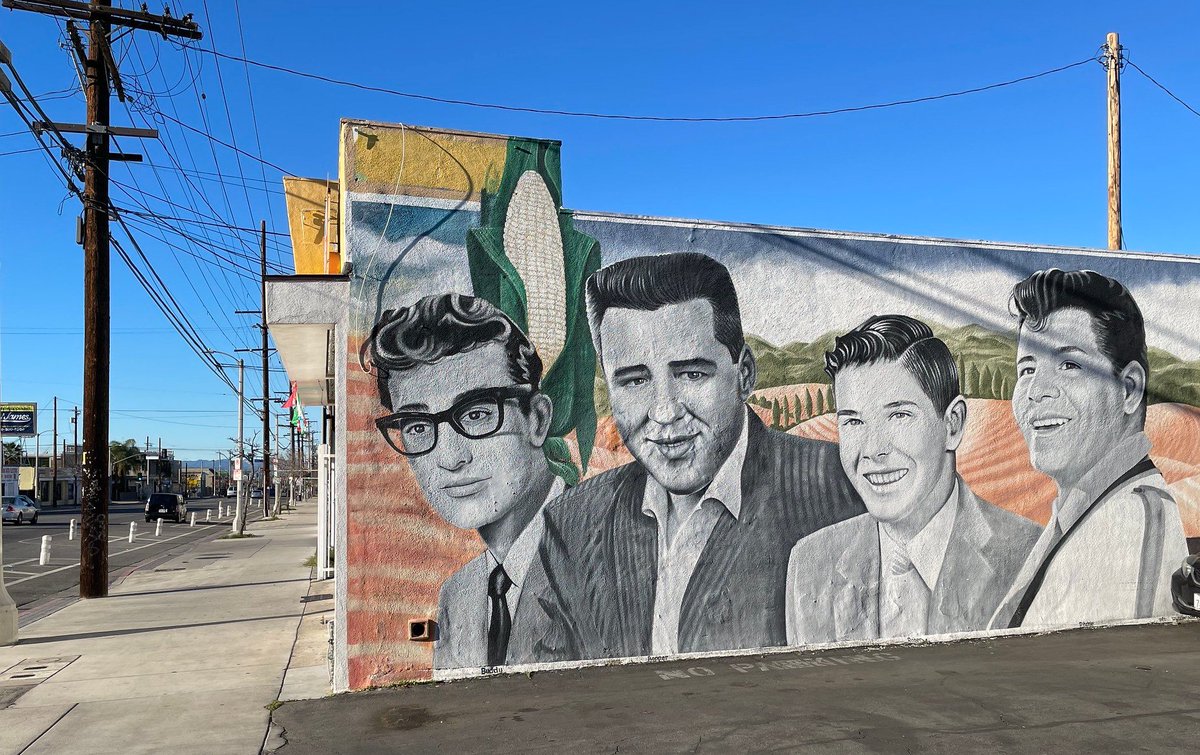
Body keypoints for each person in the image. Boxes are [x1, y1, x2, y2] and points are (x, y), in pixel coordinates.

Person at [511, 252, 864, 664]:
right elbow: (531, 693)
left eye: (691, 374)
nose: (664, 412)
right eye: (635, 380)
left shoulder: (841, 491)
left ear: (745, 373)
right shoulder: (572, 522)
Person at [785, 315, 1039, 644]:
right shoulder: (810, 564)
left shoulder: (1031, 556)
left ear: (953, 425)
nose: (873, 450)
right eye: (853, 422)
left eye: (899, 415)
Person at [364, 293, 564, 670]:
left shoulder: (609, 554)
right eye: (418, 426)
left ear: (536, 419)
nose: (451, 458)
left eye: (475, 414)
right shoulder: (458, 595)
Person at [990, 269, 1189, 629]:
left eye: (1069, 364)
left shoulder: (1133, 517)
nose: (1036, 390)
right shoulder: (1082, 509)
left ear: (1129, 388)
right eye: (1027, 368)